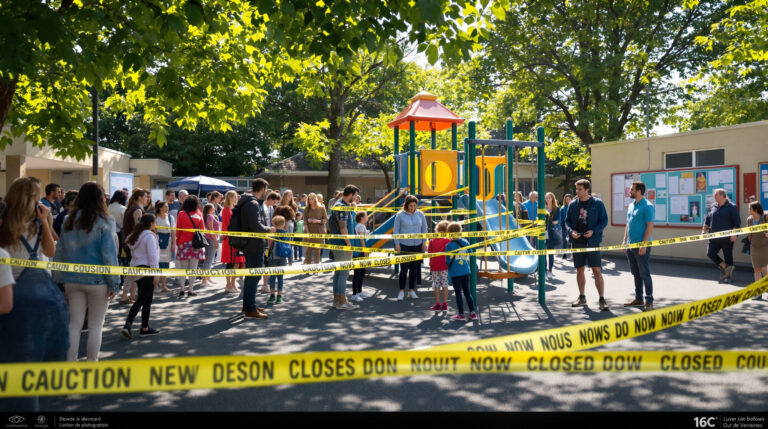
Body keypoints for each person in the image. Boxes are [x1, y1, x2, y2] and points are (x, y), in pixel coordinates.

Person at [0, 177, 67, 411]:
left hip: (9, 291)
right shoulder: (38, 223)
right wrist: (46, 221)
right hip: (39, 297)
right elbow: (50, 251)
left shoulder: (3, 223)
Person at [55, 182, 120, 361]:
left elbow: (60, 249)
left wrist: (58, 277)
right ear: (100, 199)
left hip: (71, 278)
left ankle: (70, 363)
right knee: (96, 325)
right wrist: (114, 282)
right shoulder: (106, 221)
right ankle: (92, 363)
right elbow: (109, 254)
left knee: (74, 323)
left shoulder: (68, 219)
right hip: (98, 281)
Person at [565, 179, 610, 311]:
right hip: (577, 241)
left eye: (580, 189)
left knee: (597, 270)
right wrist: (571, 231)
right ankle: (582, 297)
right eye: (576, 189)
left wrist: (594, 231)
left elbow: (604, 221)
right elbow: (567, 221)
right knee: (580, 269)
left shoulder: (597, 204)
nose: (577, 192)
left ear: (587, 190)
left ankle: (602, 299)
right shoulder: (573, 204)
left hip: (593, 241)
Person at [236, 178, 275, 319]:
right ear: (263, 189)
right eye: (266, 189)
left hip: (251, 244)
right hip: (254, 245)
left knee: (251, 276)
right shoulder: (252, 203)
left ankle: (248, 304)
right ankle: (250, 309)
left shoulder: (248, 201)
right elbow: (255, 225)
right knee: (254, 276)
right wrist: (269, 229)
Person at [121, 214, 160, 339]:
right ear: (151, 223)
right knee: (142, 300)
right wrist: (156, 273)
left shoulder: (135, 236)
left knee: (147, 299)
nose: (155, 225)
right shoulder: (149, 236)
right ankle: (128, 324)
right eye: (155, 222)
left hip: (136, 270)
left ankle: (145, 327)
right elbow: (152, 256)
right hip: (147, 270)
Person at [622, 181, 655, 312]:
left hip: (642, 246)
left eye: (632, 190)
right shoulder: (631, 205)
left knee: (644, 273)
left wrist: (644, 244)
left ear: (639, 191)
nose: (630, 191)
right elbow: (628, 224)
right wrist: (624, 241)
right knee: (635, 273)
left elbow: (650, 226)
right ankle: (638, 298)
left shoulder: (647, 206)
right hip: (631, 244)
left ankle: (649, 301)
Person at [329, 185, 360, 310]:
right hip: (342, 245)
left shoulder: (341, 205)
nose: (357, 198)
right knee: (343, 273)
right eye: (356, 195)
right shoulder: (341, 206)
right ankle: (341, 302)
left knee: (339, 272)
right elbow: (343, 228)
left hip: (339, 243)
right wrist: (349, 244)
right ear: (351, 194)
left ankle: (337, 300)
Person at [702, 188, 741, 283]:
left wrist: (734, 234)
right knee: (710, 253)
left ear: (722, 196)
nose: (714, 197)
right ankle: (725, 267)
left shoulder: (731, 206)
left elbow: (737, 221)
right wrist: (704, 229)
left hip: (727, 238)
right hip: (714, 237)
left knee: (728, 256)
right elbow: (708, 219)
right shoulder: (713, 206)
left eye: (716, 195)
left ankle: (728, 276)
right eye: (714, 195)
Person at [393, 195, 428, 301]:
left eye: (414, 205)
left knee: (414, 269)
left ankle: (412, 290)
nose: (412, 207)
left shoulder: (420, 214)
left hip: (417, 245)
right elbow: (396, 230)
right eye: (410, 205)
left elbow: (424, 229)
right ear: (406, 205)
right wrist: (397, 244)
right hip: (404, 245)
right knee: (404, 269)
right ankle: (401, 291)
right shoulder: (400, 215)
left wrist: (424, 242)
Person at [120, 189, 148, 303]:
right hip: (134, 243)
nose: (147, 198)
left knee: (133, 271)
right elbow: (138, 228)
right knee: (134, 271)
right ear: (140, 197)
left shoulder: (132, 207)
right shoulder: (137, 210)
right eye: (145, 196)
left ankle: (130, 295)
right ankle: (126, 295)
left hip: (130, 242)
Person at [445, 222, 477, 321]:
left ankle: (461, 314)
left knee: (458, 293)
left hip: (455, 272)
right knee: (467, 292)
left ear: (449, 232)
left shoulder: (449, 246)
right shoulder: (465, 242)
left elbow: (448, 260)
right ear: (460, 231)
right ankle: (473, 313)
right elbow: (470, 253)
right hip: (465, 270)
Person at [175, 195, 205, 297]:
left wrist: (177, 242)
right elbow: (202, 230)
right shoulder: (199, 214)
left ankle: (182, 289)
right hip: (195, 244)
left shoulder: (181, 214)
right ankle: (191, 290)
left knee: (183, 267)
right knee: (193, 268)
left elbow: (178, 230)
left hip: (183, 243)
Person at [221, 190, 244, 293]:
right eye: (234, 196)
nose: (236, 198)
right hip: (229, 239)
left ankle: (233, 283)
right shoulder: (225, 210)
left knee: (238, 262)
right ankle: (228, 284)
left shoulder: (236, 209)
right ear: (229, 197)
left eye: (236, 196)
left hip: (237, 238)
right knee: (230, 262)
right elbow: (226, 225)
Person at [428, 220, 451, 311]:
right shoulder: (448, 241)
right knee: (445, 285)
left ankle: (437, 303)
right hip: (444, 266)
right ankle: (445, 303)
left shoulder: (432, 241)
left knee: (436, 285)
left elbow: (429, 253)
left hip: (434, 266)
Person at [746, 201, 768, 299]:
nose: (748, 210)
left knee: (763, 268)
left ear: (755, 209)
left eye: (749, 208)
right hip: (754, 246)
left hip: (764, 246)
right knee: (756, 269)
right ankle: (758, 293)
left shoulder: (765, 218)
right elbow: (748, 232)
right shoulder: (749, 220)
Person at [266, 215, 290, 305]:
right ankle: (279, 296)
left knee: (272, 276)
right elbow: (288, 246)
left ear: (273, 223)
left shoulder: (271, 233)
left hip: (273, 257)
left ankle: (272, 296)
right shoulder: (286, 233)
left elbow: (268, 244)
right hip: (283, 257)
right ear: (283, 224)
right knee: (280, 277)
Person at [154, 201, 174, 292]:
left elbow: (173, 231)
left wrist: (173, 243)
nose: (167, 208)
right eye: (165, 206)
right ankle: (155, 286)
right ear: (160, 208)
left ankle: (164, 285)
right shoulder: (155, 217)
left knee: (166, 264)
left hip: (167, 242)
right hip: (156, 242)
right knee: (156, 263)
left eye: (167, 206)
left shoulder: (170, 217)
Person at [351, 211, 370, 302]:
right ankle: (354, 294)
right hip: (359, 252)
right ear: (362, 218)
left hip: (359, 252)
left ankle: (359, 292)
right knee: (358, 273)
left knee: (361, 272)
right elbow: (361, 239)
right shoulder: (360, 226)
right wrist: (365, 250)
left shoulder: (361, 226)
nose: (367, 217)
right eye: (366, 216)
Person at [304, 192, 328, 265]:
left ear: (315, 199)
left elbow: (325, 219)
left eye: (312, 199)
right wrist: (308, 232)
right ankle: (308, 268)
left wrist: (318, 221)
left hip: (319, 232)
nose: (310, 201)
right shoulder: (307, 209)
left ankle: (316, 268)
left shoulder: (321, 208)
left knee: (317, 251)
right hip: (309, 231)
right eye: (309, 199)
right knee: (308, 252)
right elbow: (305, 221)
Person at [201, 203, 221, 287]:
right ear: (209, 209)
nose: (214, 208)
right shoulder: (210, 216)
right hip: (211, 240)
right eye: (213, 207)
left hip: (210, 239)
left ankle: (207, 278)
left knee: (209, 259)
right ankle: (204, 281)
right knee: (209, 260)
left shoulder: (208, 216)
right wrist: (216, 241)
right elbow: (211, 229)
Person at [544, 192, 562, 280]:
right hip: (543, 232)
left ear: (552, 198)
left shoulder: (556, 208)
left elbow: (560, 219)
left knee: (550, 253)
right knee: (542, 253)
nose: (547, 199)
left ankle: (550, 271)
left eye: (549, 198)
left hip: (551, 232)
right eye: (546, 198)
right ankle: (544, 270)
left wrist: (556, 222)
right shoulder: (542, 208)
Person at [108, 190, 127, 264]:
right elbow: (125, 223)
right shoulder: (123, 208)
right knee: (122, 254)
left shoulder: (108, 207)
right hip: (120, 234)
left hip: (110, 233)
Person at [560, 194, 573, 260]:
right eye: (566, 199)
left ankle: (572, 254)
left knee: (571, 241)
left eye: (569, 199)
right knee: (564, 241)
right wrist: (562, 225)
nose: (567, 200)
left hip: (572, 227)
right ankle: (564, 253)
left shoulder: (573, 207)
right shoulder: (562, 208)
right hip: (564, 227)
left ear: (571, 199)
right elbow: (561, 218)